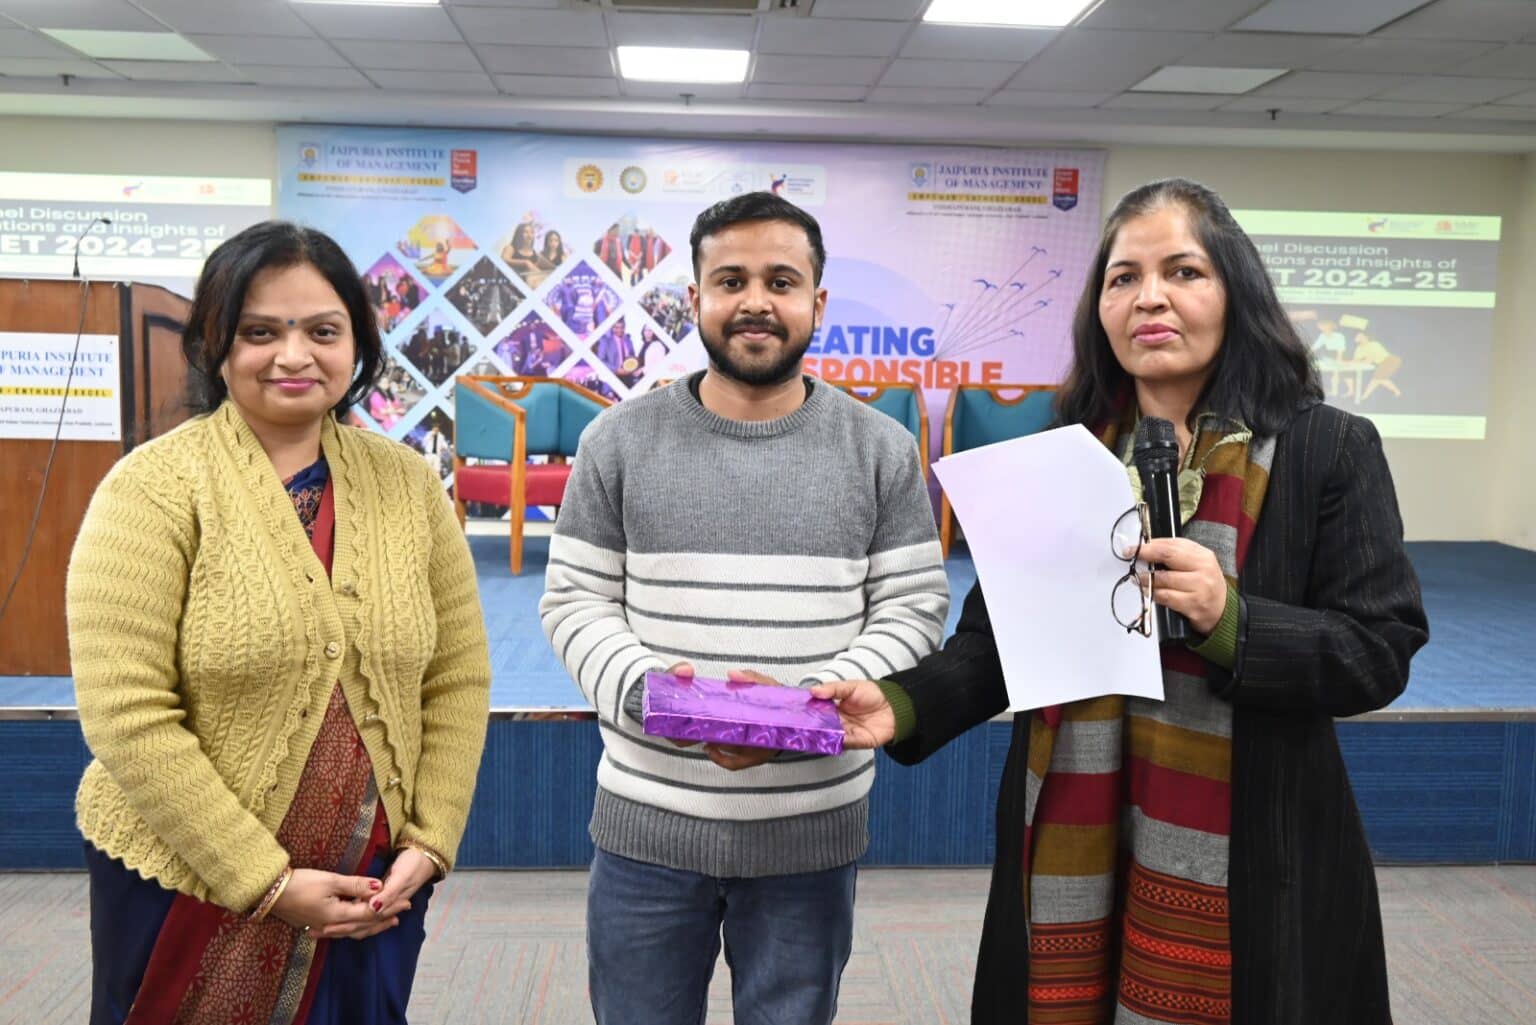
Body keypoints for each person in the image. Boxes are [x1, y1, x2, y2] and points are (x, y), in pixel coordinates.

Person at [813, 178, 1429, 1025]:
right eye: (1123, 278)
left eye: (1183, 271)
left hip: (1256, 842)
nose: (1150, 297)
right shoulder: (1061, 455)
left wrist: (1230, 621)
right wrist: (902, 703)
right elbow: (999, 641)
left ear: (1236, 292)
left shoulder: (1327, 448)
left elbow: (1378, 646)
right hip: (1075, 826)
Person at [68, 220, 492, 1025]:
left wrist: (431, 839)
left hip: (372, 884)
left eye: (322, 331)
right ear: (214, 341)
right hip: (188, 874)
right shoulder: (153, 489)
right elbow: (127, 713)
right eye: (260, 331)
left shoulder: (408, 486)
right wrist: (265, 881)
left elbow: (458, 678)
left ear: (357, 344)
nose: (294, 355)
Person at [540, 191, 950, 1025]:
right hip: (648, 824)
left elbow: (912, 608)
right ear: (696, 298)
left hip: (810, 828)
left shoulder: (881, 448)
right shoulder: (616, 440)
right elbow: (576, 598)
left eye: (780, 281)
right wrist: (650, 693)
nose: (756, 300)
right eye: (731, 280)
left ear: (817, 303)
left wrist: (799, 713)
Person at [1352, 330, 1403, 400]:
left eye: (1361, 336)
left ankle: (1364, 397)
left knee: (1377, 379)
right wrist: (1347, 363)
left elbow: (1369, 361)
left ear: (1366, 337)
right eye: (1357, 336)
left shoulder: (1374, 344)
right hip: (1382, 363)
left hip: (1390, 360)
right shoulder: (1359, 348)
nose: (1359, 337)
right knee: (1378, 379)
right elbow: (1355, 360)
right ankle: (1397, 392)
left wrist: (1356, 362)